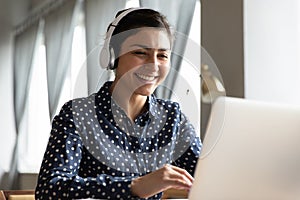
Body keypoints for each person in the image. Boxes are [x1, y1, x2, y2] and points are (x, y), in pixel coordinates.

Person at [35, 7, 201, 199]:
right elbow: (50, 190)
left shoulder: (173, 118)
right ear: (112, 56)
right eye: (140, 52)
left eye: (162, 55)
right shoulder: (78, 114)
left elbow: (209, 175)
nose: (153, 65)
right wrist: (135, 186)